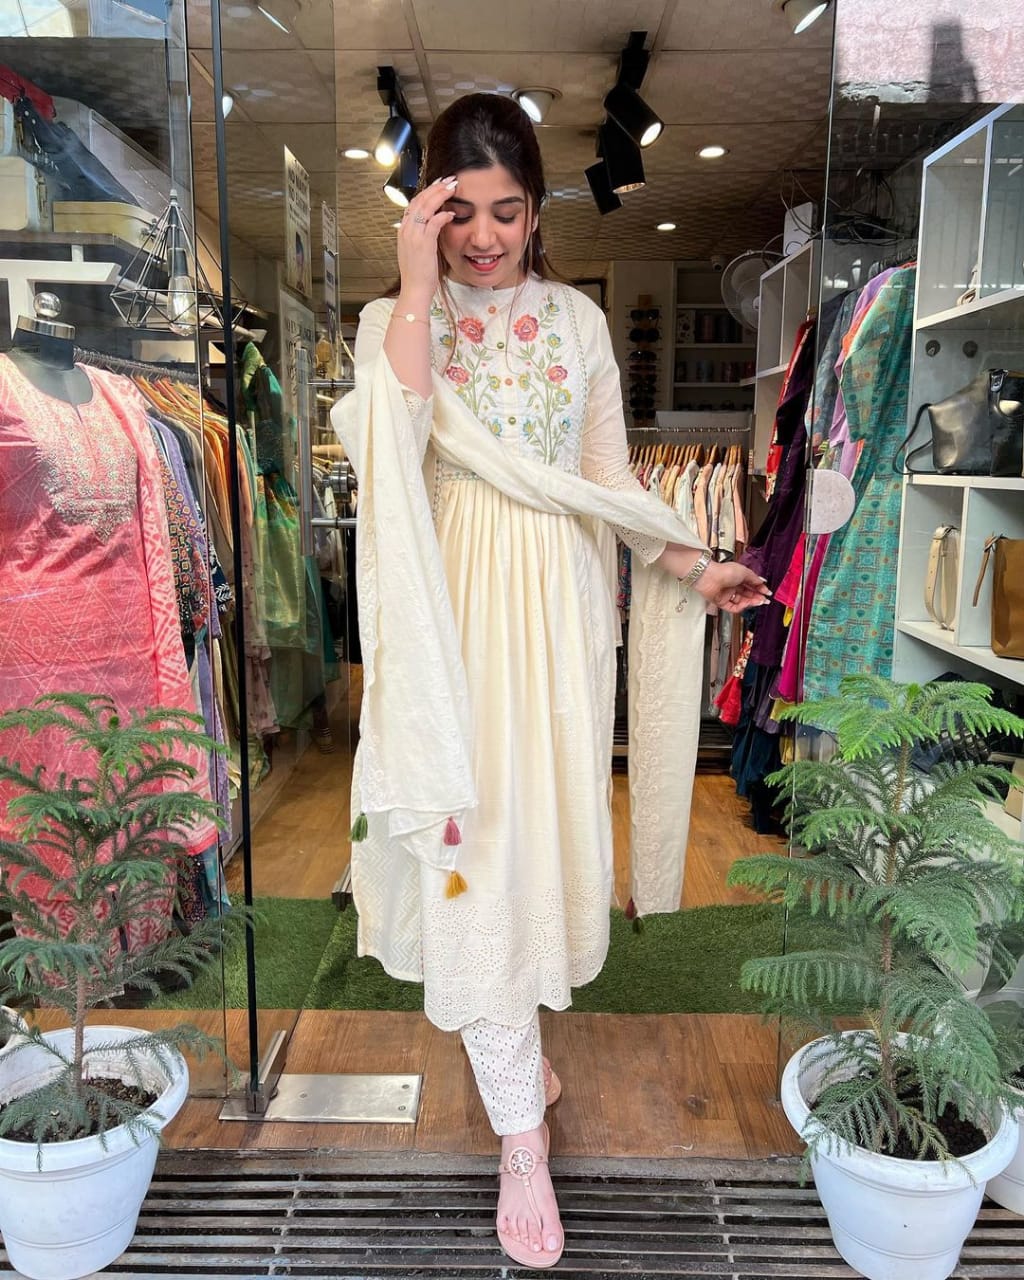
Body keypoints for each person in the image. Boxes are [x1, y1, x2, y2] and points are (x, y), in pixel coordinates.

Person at [334, 93, 769, 1270]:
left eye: (507, 211)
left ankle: (514, 1054)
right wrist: (412, 286)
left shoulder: (575, 321)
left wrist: (692, 562)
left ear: (537, 212)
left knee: (532, 844)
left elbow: (605, 480)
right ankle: (520, 1136)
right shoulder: (393, 319)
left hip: (559, 620)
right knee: (474, 849)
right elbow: (391, 441)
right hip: (451, 621)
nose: (484, 236)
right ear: (426, 213)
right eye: (459, 212)